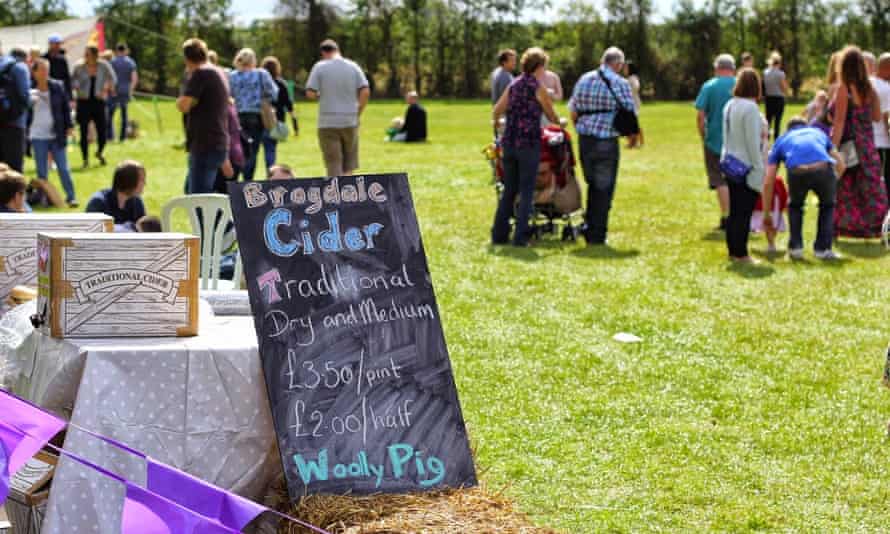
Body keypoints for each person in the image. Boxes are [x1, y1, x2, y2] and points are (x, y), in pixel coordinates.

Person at [491, 47, 560, 247]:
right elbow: (550, 113)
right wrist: (559, 123)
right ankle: (520, 237)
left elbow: (497, 110)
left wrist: (498, 124)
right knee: (527, 189)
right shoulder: (537, 87)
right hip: (528, 143)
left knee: (509, 189)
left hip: (510, 143)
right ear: (539, 67)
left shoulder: (513, 85)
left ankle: (499, 234)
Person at [568, 46, 636, 245]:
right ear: (618, 64)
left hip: (585, 139)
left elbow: (573, 109)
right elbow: (630, 110)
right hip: (606, 139)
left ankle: (589, 226)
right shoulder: (620, 83)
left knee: (592, 184)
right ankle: (597, 235)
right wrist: (631, 136)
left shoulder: (584, 79)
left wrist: (581, 128)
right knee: (603, 188)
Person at [763, 118, 846, 260]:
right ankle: (823, 249)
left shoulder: (782, 139)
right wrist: (832, 182)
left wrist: (766, 213)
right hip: (823, 168)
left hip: (797, 171)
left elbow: (769, 179)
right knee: (827, 206)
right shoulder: (818, 133)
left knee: (795, 206)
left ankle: (796, 248)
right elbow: (841, 164)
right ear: (805, 126)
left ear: (788, 129)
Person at [830, 45, 888, 238]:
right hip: (868, 145)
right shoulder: (870, 89)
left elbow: (838, 123)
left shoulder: (843, 89)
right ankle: (877, 228)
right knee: (871, 188)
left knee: (846, 187)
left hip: (849, 146)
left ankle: (846, 227)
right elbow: (878, 117)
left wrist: (831, 148)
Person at [721, 68, 767, 263]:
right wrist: (759, 167)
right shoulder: (750, 109)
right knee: (744, 213)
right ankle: (742, 253)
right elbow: (752, 142)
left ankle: (733, 250)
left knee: (734, 212)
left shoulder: (730, 104)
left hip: (730, 163)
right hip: (747, 166)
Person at [305, 39, 370, 177]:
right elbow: (365, 91)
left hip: (327, 121)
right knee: (349, 164)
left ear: (323, 52)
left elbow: (310, 92)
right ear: (337, 50)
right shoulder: (353, 66)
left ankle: (335, 195)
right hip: (349, 120)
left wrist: (320, 95)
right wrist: (358, 112)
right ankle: (349, 194)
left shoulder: (320, 67)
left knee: (333, 162)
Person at [176, 38, 231, 195]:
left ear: (186, 58)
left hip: (205, 144)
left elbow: (184, 105)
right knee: (204, 194)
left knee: (198, 198)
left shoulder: (201, 73)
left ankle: (209, 221)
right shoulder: (217, 71)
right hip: (217, 142)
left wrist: (182, 98)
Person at [695, 53, 736, 231]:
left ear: (716, 68)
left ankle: (727, 216)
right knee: (736, 178)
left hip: (714, 139)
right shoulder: (739, 84)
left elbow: (700, 115)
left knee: (718, 179)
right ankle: (739, 215)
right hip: (737, 139)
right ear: (732, 68)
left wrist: (703, 134)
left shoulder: (709, 86)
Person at [28, 59, 76, 207]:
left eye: (46, 69)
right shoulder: (28, 88)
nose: (45, 73)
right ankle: (44, 198)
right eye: (41, 70)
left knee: (63, 168)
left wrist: (69, 126)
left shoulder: (57, 86)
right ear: (34, 72)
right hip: (37, 135)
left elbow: (65, 108)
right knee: (42, 171)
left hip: (56, 134)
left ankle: (71, 197)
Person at [228, 48, 278, 181]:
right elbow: (274, 93)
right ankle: (248, 180)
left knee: (239, 150)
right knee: (252, 151)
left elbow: (228, 95)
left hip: (237, 117)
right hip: (256, 116)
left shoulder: (232, 76)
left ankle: (236, 178)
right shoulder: (261, 74)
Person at [71, 45, 116, 167]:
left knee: (102, 131)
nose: (85, 56)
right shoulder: (78, 66)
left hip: (98, 101)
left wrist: (106, 88)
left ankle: (100, 152)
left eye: (88, 54)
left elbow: (113, 78)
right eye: (85, 54)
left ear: (95, 55)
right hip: (83, 101)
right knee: (84, 131)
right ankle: (85, 159)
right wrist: (76, 85)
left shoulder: (103, 65)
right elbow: (72, 80)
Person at [86, 160, 147, 229]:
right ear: (129, 181)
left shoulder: (137, 202)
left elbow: (143, 231)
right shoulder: (98, 203)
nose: (145, 183)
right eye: (142, 180)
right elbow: (91, 233)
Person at [260, 56, 294, 176]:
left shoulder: (259, 83)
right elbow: (288, 104)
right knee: (271, 150)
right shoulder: (281, 84)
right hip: (275, 122)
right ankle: (271, 174)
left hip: (260, 120)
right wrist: (295, 123)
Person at [0, 46, 30, 172]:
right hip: (15, 125)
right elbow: (25, 98)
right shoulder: (18, 67)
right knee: (15, 170)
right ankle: (16, 192)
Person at [108, 43, 138, 143]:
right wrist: (131, 90)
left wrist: (111, 89)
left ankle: (110, 136)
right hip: (125, 91)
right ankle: (122, 137)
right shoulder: (130, 62)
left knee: (110, 114)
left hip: (114, 90)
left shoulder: (112, 62)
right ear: (125, 50)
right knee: (124, 114)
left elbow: (109, 77)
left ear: (117, 51)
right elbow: (134, 78)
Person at [869, 53, 890, 195]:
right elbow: (886, 118)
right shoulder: (886, 89)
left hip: (865, 141)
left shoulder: (866, 82)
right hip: (882, 142)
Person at [763, 52, 789, 140]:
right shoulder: (780, 74)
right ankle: (776, 139)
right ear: (779, 62)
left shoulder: (765, 73)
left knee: (768, 120)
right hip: (778, 99)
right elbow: (784, 88)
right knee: (777, 122)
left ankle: (766, 138)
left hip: (768, 98)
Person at [43, 35, 71, 99]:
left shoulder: (62, 59)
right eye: (56, 44)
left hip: (61, 93)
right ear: (50, 44)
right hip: (48, 93)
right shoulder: (43, 59)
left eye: (59, 44)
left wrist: (70, 96)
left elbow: (67, 78)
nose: (58, 46)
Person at [625, 61, 643, 148]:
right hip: (630, 103)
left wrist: (628, 91)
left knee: (633, 124)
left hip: (633, 103)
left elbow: (636, 87)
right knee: (630, 124)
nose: (624, 69)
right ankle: (633, 142)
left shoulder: (633, 78)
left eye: (626, 68)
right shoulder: (629, 78)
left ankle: (636, 142)